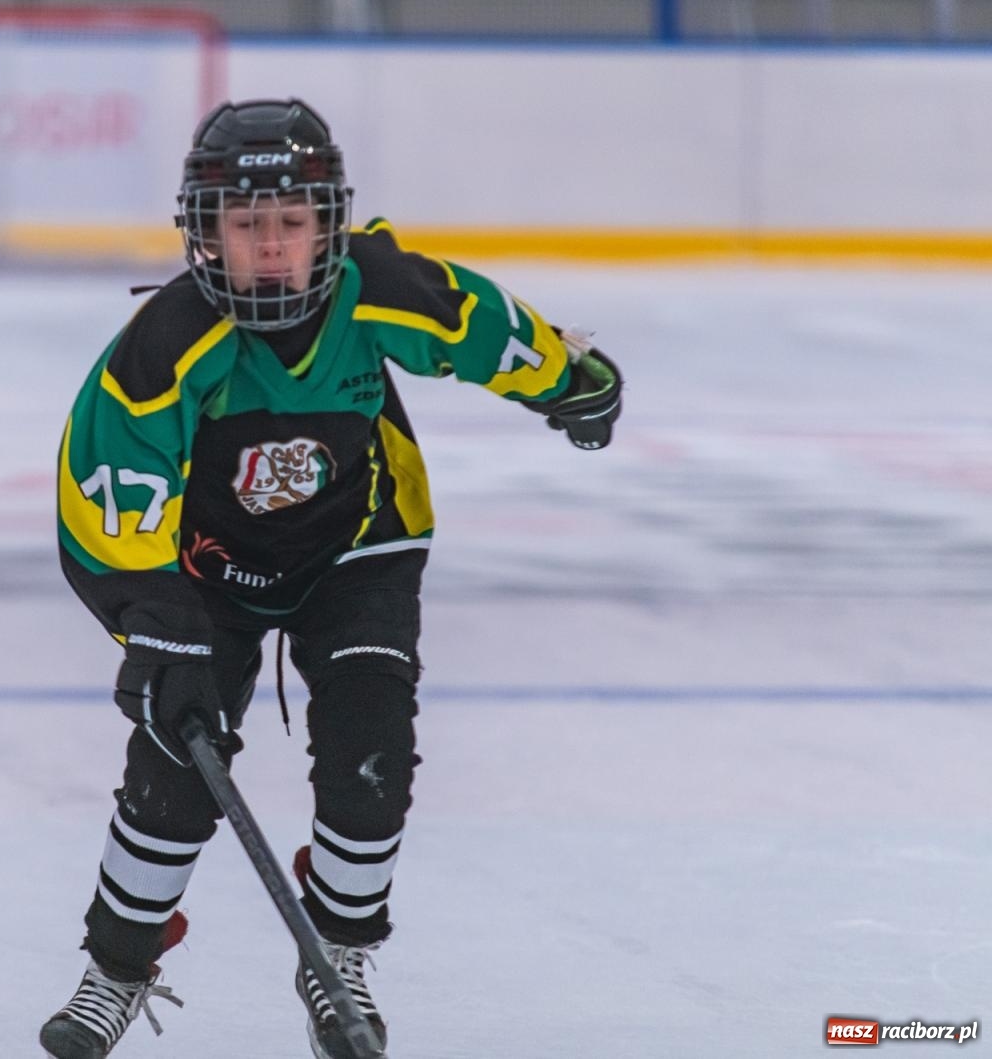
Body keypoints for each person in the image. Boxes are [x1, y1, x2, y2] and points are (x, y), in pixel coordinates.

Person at [40, 98, 622, 1059]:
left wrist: (570, 380)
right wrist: (155, 628)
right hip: (205, 575)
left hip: (362, 546)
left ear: (329, 226)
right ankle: (115, 967)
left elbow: (483, 328)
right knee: (172, 778)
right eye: (246, 225)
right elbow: (104, 519)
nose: (271, 248)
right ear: (205, 232)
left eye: (292, 224)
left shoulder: (378, 288)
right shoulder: (161, 351)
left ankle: (339, 957)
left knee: (371, 757)